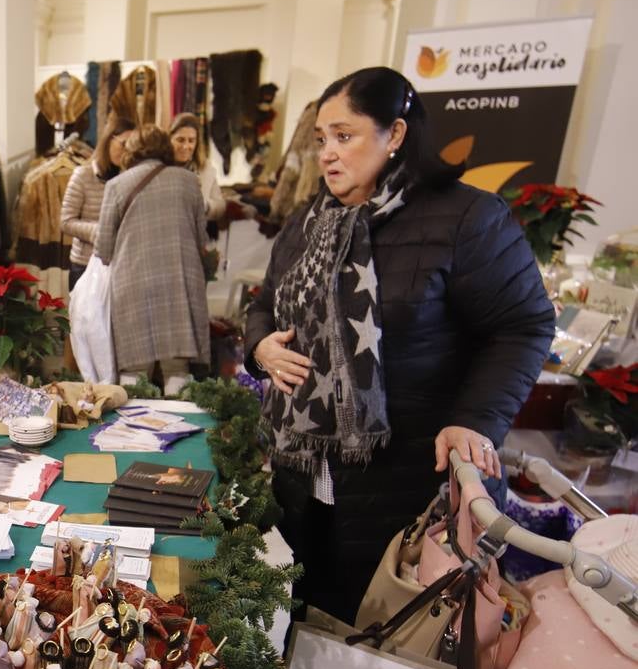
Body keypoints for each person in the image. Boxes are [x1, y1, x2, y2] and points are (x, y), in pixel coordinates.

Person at [244, 67, 555, 627]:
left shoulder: (465, 218)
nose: (327, 154)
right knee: (306, 626)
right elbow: (264, 303)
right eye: (321, 140)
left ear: (396, 135)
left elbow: (523, 325)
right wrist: (260, 346)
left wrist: (476, 420)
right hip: (304, 478)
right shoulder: (305, 223)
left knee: (395, 639)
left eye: (345, 136)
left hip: (407, 485)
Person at [94, 125, 211, 396]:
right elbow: (201, 238)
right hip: (179, 283)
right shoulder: (188, 181)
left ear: (131, 151)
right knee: (178, 373)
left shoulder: (116, 185)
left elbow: (103, 247)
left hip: (132, 285)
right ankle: (179, 429)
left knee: (134, 375)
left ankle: (131, 433)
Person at [60, 116, 133, 288]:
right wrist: (101, 231)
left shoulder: (132, 177)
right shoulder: (83, 175)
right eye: (123, 144)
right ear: (109, 141)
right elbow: (65, 221)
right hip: (86, 264)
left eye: (133, 146)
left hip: (122, 264)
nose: (127, 151)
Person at [167, 113, 226, 222]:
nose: (186, 146)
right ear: (170, 139)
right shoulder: (161, 168)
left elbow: (220, 206)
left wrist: (206, 207)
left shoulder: (205, 168)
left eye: (191, 141)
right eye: (180, 140)